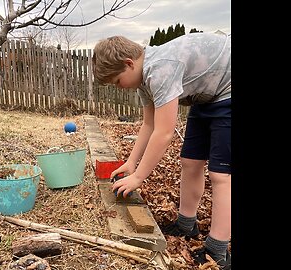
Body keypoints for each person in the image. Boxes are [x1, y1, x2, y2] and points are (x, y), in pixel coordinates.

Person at [92, 32, 231, 269]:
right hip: (206, 96)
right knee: (190, 161)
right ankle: (187, 223)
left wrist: (138, 177)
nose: (119, 88)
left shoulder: (160, 69)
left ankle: (218, 249)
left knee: (221, 175)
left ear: (129, 63)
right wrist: (131, 164)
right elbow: (150, 124)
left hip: (227, 92)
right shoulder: (143, 78)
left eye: (117, 81)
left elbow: (165, 132)